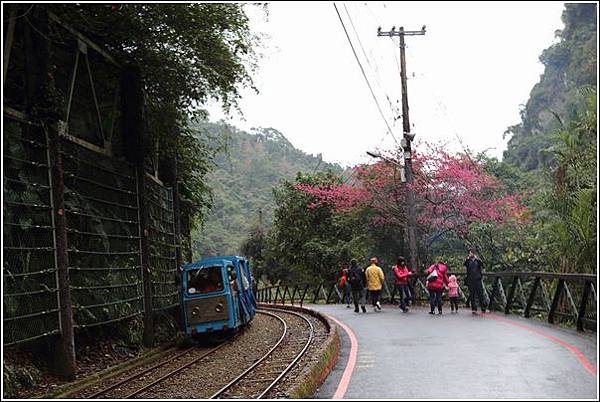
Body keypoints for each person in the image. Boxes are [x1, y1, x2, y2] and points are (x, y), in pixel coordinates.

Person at [464, 249, 486, 314]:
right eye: (469, 253)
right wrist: (467, 259)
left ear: (473, 254)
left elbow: (482, 265)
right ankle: (474, 308)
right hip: (470, 280)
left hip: (478, 279)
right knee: (472, 294)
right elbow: (465, 264)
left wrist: (477, 259)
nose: (469, 254)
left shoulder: (477, 261)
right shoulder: (468, 261)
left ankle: (483, 307)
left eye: (470, 253)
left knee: (480, 294)